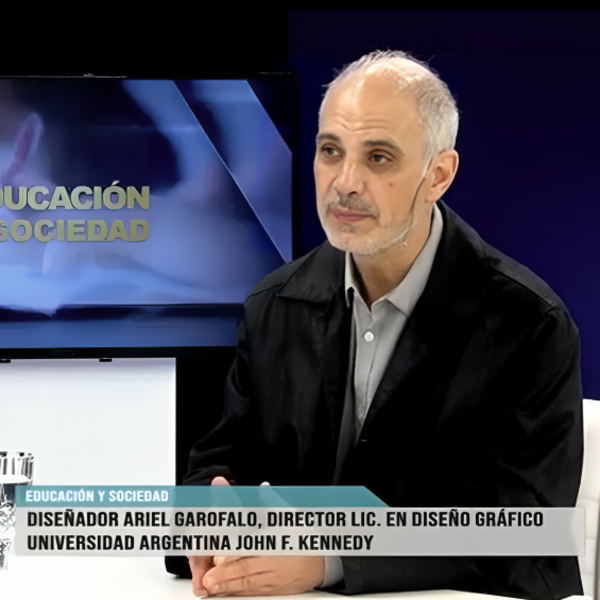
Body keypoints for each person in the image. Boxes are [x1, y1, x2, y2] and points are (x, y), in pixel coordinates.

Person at [182, 50, 583, 599]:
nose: (345, 182)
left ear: (438, 174)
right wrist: (212, 517)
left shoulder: (529, 325)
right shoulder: (273, 304)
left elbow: (528, 528)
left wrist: (330, 558)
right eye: (330, 151)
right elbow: (221, 459)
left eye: (378, 157)